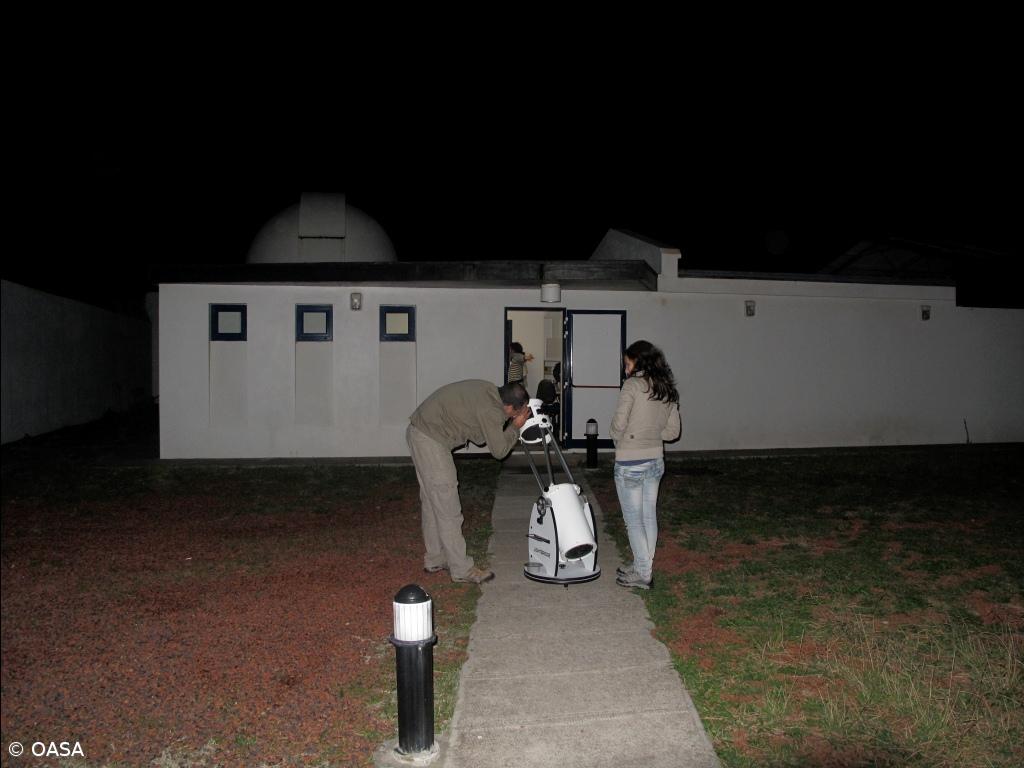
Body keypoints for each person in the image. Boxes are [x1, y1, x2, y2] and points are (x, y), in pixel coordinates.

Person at [407, 380, 531, 584]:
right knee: (448, 506)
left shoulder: (489, 391)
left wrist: (506, 422)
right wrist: (515, 428)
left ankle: (435, 558)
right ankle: (461, 569)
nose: (520, 414)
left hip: (419, 431)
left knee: (432, 501)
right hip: (430, 440)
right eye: (519, 410)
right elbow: (499, 451)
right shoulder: (490, 411)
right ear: (509, 407)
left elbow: (480, 436)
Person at [609, 341, 681, 590]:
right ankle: (643, 564)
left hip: (630, 461)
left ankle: (643, 572)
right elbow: (672, 432)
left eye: (627, 363)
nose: (625, 368)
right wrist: (651, 434)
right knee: (648, 516)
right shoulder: (667, 388)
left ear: (637, 361)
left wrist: (620, 438)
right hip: (655, 461)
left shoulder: (632, 386)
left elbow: (618, 424)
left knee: (634, 520)